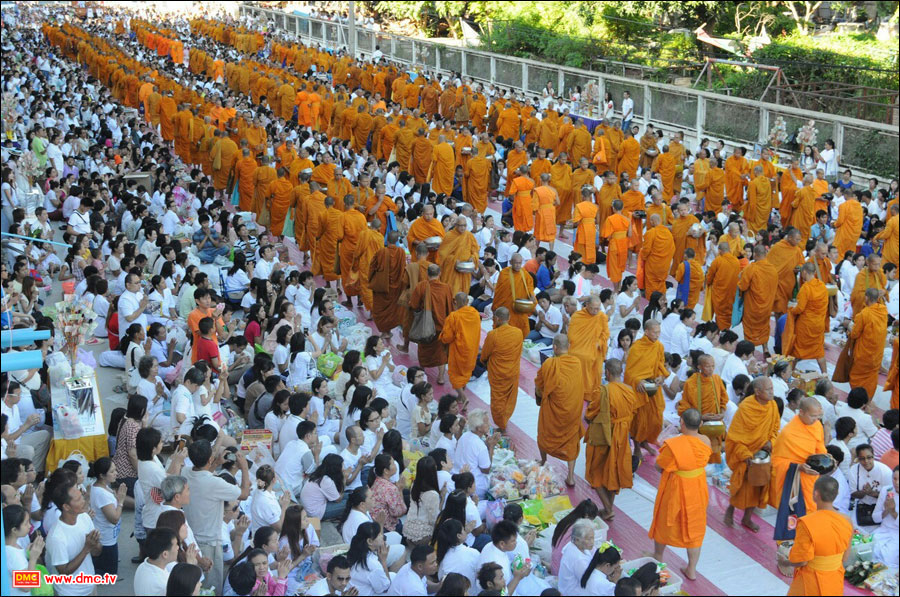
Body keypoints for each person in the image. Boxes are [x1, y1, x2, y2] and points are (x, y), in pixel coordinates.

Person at [649, 408, 712, 581]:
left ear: (682, 423)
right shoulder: (706, 441)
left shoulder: (673, 445)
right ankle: (691, 569)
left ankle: (658, 556)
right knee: (695, 526)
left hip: (676, 489)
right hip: (697, 488)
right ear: (700, 424)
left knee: (665, 521)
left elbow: (658, 466)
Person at [181, 439, 251, 595]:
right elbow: (245, 494)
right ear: (209, 458)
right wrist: (244, 467)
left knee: (196, 587)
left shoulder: (185, 472)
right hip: (209, 544)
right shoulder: (215, 483)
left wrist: (216, 463)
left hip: (190, 538)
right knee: (210, 589)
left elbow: (201, 473)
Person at [724, 377, 780, 532]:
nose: (771, 392)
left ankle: (747, 518)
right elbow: (736, 436)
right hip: (746, 454)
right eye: (768, 389)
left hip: (763, 454)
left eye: (772, 389)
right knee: (742, 486)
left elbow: (775, 429)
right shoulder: (746, 408)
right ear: (757, 391)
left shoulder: (773, 406)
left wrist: (771, 442)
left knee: (759, 486)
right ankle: (731, 509)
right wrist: (746, 454)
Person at [782, 476, 854, 597]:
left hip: (811, 581)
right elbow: (845, 557)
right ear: (836, 494)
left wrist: (786, 563)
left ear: (815, 494)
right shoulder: (847, 520)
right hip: (834, 580)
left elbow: (802, 561)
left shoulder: (806, 523)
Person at [770, 397, 829, 540]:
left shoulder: (816, 426)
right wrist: (798, 467)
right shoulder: (788, 433)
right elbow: (777, 461)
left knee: (813, 512)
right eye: (812, 416)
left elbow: (819, 448)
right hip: (794, 482)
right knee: (794, 518)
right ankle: (791, 545)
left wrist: (826, 459)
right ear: (801, 412)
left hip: (812, 479)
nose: (816, 420)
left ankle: (809, 542)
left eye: (818, 416)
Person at [535, 334, 584, 487]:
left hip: (554, 409)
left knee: (544, 432)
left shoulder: (550, 363)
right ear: (568, 347)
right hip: (573, 409)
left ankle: (543, 460)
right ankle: (570, 476)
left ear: (554, 348)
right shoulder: (576, 362)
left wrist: (541, 398)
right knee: (571, 439)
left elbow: (539, 385)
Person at [45, 480, 102, 596]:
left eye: (82, 497)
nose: (83, 501)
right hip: (70, 592)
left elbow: (97, 552)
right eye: (78, 499)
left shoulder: (84, 518)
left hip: (90, 586)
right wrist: (86, 548)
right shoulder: (57, 536)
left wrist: (94, 544)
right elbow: (63, 571)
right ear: (66, 507)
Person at [626, 320, 669, 459]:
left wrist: (661, 377)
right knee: (639, 419)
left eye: (659, 332)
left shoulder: (659, 347)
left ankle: (645, 442)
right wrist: (638, 380)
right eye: (654, 332)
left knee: (655, 418)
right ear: (646, 331)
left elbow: (661, 366)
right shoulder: (636, 348)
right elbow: (629, 372)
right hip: (640, 389)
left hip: (653, 388)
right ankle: (637, 446)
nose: (657, 335)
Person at [676, 355, 729, 463]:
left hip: (715, 425)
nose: (711, 369)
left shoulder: (716, 379)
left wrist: (722, 413)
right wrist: (701, 417)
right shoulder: (691, 383)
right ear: (699, 366)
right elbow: (684, 407)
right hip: (698, 425)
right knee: (698, 454)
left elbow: (724, 399)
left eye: (713, 366)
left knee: (714, 453)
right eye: (707, 366)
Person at [480, 307, 524, 432]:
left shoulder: (493, 335)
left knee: (498, 401)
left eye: (494, 319)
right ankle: (505, 419)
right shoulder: (518, 333)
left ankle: (501, 424)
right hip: (512, 373)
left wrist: (484, 362)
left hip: (498, 374)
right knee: (509, 399)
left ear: (498, 319)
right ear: (509, 318)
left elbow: (484, 355)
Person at [409, 264, 454, 385]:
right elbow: (450, 307)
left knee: (424, 349)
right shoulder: (446, 288)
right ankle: (440, 377)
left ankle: (422, 371)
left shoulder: (421, 286)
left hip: (425, 326)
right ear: (439, 274)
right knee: (441, 352)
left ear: (427, 274)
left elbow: (413, 305)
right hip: (441, 326)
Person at [784, 262, 829, 373]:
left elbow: (799, 309)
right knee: (819, 352)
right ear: (814, 272)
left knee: (796, 351)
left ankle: (788, 376)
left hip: (806, 326)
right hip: (818, 324)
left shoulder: (806, 288)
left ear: (804, 272)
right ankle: (825, 376)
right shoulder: (822, 286)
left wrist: (791, 310)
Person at [439, 292, 482, 403]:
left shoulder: (454, 316)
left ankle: (463, 397)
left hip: (458, 350)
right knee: (465, 374)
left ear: (456, 302)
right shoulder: (475, 314)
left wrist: (441, 336)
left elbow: (447, 338)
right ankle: (460, 397)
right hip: (472, 349)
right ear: (467, 302)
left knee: (455, 376)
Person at [738, 244, 778, 354]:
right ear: (765, 254)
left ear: (755, 254)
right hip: (766, 307)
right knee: (764, 327)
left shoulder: (751, 268)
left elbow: (743, 286)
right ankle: (765, 348)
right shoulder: (773, 270)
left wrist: (740, 278)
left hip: (752, 307)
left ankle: (749, 351)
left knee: (750, 329)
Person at [849, 288, 889, 397]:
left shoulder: (864, 314)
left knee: (856, 377)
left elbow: (854, 334)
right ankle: (868, 401)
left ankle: (856, 401)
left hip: (864, 356)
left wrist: (850, 327)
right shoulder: (883, 311)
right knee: (871, 379)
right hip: (876, 356)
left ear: (866, 297)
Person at [475, 521, 532, 595]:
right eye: (513, 541)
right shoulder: (498, 568)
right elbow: (503, 594)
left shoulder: (489, 545)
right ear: (502, 544)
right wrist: (517, 578)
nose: (516, 543)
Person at [135, 527, 195, 596]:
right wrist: (191, 567)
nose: (178, 547)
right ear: (165, 554)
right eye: (176, 545)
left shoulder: (142, 566)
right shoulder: (164, 583)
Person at [848, 443, 893, 528]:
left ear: (873, 456)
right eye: (862, 459)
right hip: (862, 507)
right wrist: (864, 492)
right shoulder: (853, 470)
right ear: (858, 459)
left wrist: (871, 493)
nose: (866, 461)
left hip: (882, 508)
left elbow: (890, 496)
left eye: (869, 457)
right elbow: (853, 493)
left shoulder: (885, 471)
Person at [347, 521, 393, 595]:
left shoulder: (356, 551)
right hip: (364, 592)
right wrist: (383, 561)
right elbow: (386, 588)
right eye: (379, 534)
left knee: (393, 575)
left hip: (356, 587)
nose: (382, 536)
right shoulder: (373, 565)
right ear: (370, 541)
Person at [706, 241, 740, 330]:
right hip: (731, 294)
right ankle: (725, 330)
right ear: (729, 250)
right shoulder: (736, 261)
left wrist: (708, 284)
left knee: (720, 314)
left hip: (719, 294)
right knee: (727, 313)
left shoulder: (718, 260)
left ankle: (720, 331)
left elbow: (709, 277)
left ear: (720, 250)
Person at [639, 214, 675, 298]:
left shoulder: (651, 233)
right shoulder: (668, 234)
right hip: (664, 265)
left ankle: (651, 303)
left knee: (651, 283)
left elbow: (646, 250)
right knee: (661, 283)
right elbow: (673, 249)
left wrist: (643, 258)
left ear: (652, 221)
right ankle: (662, 301)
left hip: (653, 264)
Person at [556, 519, 596, 594]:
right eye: (589, 539)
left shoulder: (572, 545)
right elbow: (590, 582)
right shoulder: (579, 560)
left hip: (565, 587)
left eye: (593, 538)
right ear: (577, 540)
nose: (592, 542)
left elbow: (594, 551)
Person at [871, 466, 899, 568]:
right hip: (883, 530)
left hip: (897, 535)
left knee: (887, 560)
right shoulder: (886, 490)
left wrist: (893, 511)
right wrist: (886, 510)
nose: (897, 483)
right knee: (868, 551)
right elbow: (875, 517)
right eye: (894, 479)